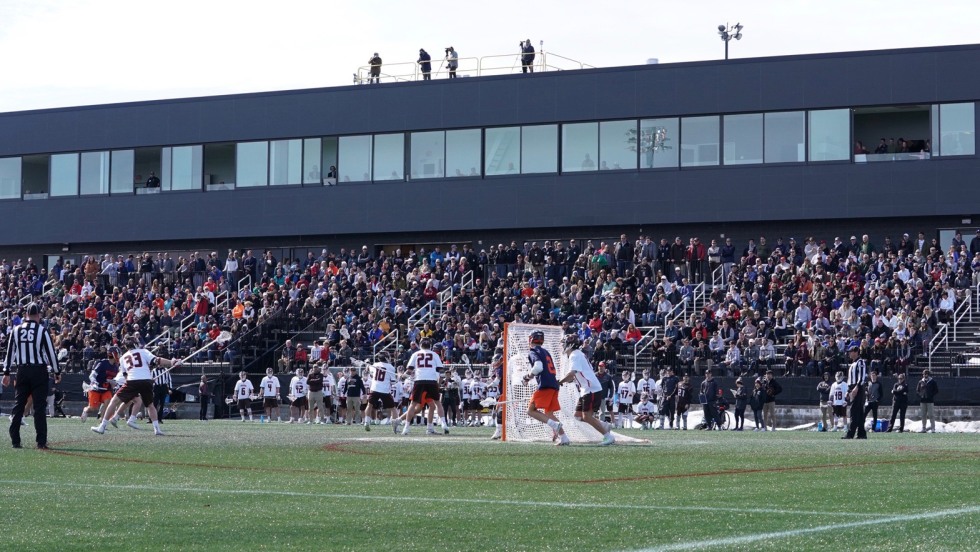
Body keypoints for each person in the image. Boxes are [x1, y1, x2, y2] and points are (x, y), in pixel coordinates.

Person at [4, 303, 60, 449]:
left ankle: (15, 440)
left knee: (19, 404)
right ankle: (41, 442)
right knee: (39, 407)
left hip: (22, 370)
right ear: (38, 315)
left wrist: (6, 372)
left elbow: (10, 353)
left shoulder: (16, 330)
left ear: (26, 315)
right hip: (38, 371)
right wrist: (57, 371)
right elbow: (51, 353)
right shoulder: (42, 330)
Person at [91, 344, 180, 436]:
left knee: (114, 401)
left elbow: (126, 376)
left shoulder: (123, 357)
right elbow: (157, 360)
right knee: (150, 405)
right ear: (136, 345)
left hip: (132, 380)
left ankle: (102, 426)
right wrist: (172, 362)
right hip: (146, 380)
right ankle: (156, 429)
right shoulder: (143, 351)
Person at [557, 334, 614, 445]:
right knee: (578, 416)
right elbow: (578, 374)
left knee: (586, 416)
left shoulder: (574, 355)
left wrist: (559, 382)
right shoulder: (577, 354)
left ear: (570, 344)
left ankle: (608, 436)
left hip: (590, 388)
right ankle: (604, 425)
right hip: (586, 388)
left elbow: (571, 374)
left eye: (564, 343)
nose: (562, 345)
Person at [520, 330, 569, 445]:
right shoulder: (546, 352)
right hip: (554, 384)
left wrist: (527, 377)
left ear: (531, 339)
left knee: (531, 411)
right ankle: (564, 437)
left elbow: (538, 367)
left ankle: (555, 425)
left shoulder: (533, 351)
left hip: (546, 385)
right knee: (549, 414)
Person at [401, 338, 450, 435]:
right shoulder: (435, 354)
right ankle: (444, 424)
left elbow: (409, 370)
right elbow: (440, 370)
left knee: (413, 404)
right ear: (430, 346)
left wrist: (403, 376)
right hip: (431, 380)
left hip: (419, 380)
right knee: (437, 403)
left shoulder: (415, 354)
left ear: (420, 345)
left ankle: (406, 427)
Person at [80, 347, 120, 423]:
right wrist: (94, 382)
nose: (119, 356)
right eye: (117, 354)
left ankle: (102, 422)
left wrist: (115, 383)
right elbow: (92, 375)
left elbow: (114, 380)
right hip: (96, 388)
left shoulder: (116, 367)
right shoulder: (102, 363)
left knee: (108, 404)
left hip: (106, 389)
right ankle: (85, 410)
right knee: (93, 408)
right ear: (113, 354)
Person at [364, 354, 399, 432]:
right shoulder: (390, 367)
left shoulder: (375, 365)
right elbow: (393, 382)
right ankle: (395, 426)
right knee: (393, 408)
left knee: (369, 405)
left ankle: (366, 422)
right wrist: (399, 378)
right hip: (384, 390)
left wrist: (367, 363)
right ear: (386, 358)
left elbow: (369, 370)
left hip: (375, 388)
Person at [843, 346, 868, 440]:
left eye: (851, 351)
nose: (850, 353)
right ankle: (862, 433)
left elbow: (861, 377)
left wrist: (857, 387)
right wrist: (849, 390)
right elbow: (850, 380)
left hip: (858, 388)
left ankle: (850, 433)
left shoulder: (860, 362)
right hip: (853, 387)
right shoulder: (853, 363)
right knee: (860, 413)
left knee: (853, 411)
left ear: (857, 352)